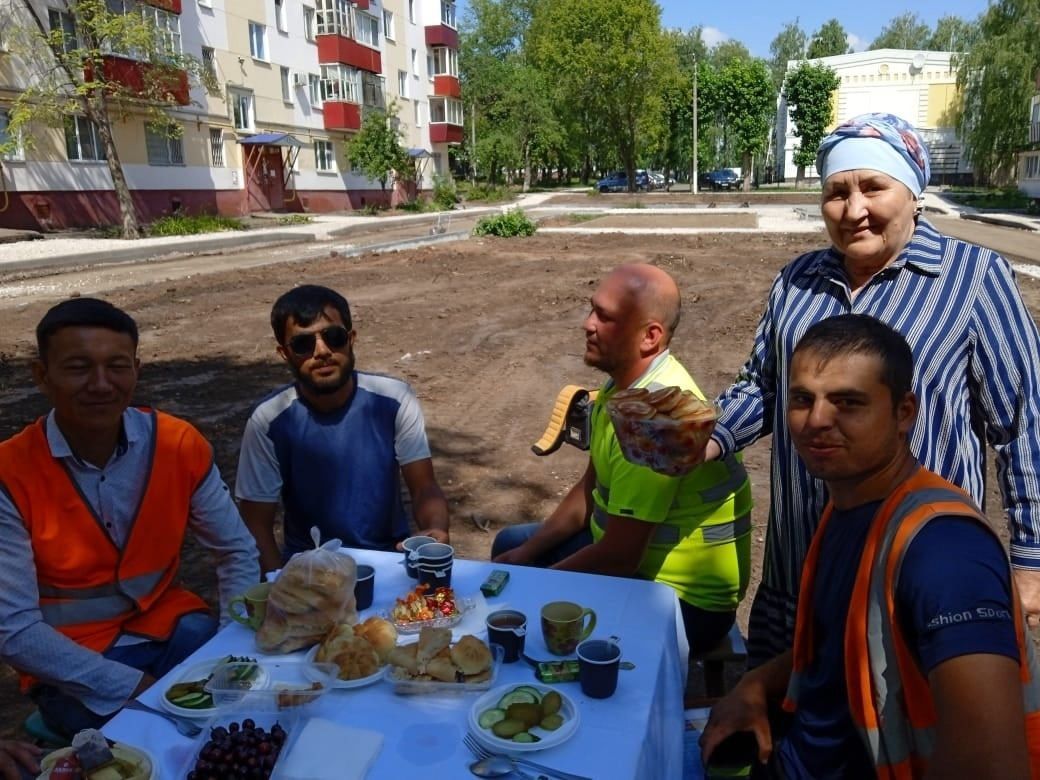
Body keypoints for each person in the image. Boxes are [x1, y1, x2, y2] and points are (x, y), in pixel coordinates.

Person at [702, 112, 1040, 665]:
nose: (854, 210)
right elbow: (764, 387)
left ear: (911, 192)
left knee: (901, 740)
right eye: (837, 192)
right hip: (799, 572)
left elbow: (1025, 423)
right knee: (785, 727)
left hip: (911, 577)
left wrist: (1032, 560)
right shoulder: (797, 281)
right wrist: (708, 438)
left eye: (873, 188)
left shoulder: (973, 278)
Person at [700, 314, 1040, 779]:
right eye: (802, 399)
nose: (817, 420)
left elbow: (993, 766)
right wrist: (756, 684)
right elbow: (841, 648)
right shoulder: (848, 505)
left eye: (848, 402)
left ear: (905, 413)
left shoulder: (946, 554)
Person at [0, 298, 259, 739]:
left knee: (247, 697)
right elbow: (15, 628)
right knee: (147, 735)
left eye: (117, 366)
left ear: (137, 369)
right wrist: (134, 690)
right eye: (78, 367)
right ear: (41, 376)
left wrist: (231, 646)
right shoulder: (10, 473)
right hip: (69, 660)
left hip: (167, 627)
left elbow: (235, 550)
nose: (101, 384)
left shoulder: (178, 444)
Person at [492, 263, 752, 653]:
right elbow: (588, 489)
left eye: (605, 317)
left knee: (524, 602)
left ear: (649, 337)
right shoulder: (623, 388)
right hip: (638, 563)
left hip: (684, 604)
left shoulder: (655, 426)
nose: (587, 324)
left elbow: (619, 559)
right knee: (512, 545)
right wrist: (528, 555)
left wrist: (538, 582)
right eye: (592, 309)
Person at [236, 284, 450, 574]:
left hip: (390, 562)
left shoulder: (395, 400)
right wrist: (279, 590)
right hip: (309, 571)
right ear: (284, 353)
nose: (322, 352)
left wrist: (435, 527)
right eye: (303, 344)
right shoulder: (268, 421)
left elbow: (424, 486)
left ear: (351, 339)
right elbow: (256, 524)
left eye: (333, 337)